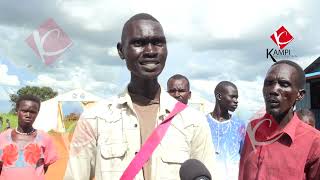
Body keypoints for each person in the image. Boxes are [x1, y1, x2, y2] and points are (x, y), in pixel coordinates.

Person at [64, 13, 215, 180]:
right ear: (121, 51)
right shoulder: (95, 118)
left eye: (158, 43)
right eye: (138, 43)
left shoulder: (192, 121)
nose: (150, 51)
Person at [239, 60, 320, 180]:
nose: (273, 90)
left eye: (284, 84)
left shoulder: (314, 141)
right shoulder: (253, 128)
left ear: (300, 95)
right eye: (269, 83)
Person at [0, 94, 58, 179]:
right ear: (17, 111)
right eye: (24, 110)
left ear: (37, 113)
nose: (28, 115)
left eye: (33, 112)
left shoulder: (44, 138)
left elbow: (45, 166)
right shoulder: (2, 137)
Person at [206, 81, 245, 180]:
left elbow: (244, 155)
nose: (236, 101)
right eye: (232, 97)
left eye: (236, 98)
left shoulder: (239, 125)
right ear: (219, 96)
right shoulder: (202, 122)